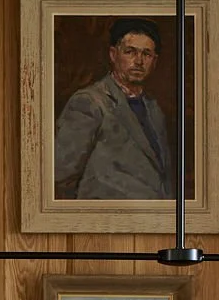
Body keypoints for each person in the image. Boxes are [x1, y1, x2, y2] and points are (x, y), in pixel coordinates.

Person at [54, 17, 172, 201]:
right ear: (113, 54)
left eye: (146, 54)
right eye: (130, 52)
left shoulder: (154, 108)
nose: (139, 61)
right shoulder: (89, 102)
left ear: (154, 61)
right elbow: (61, 173)